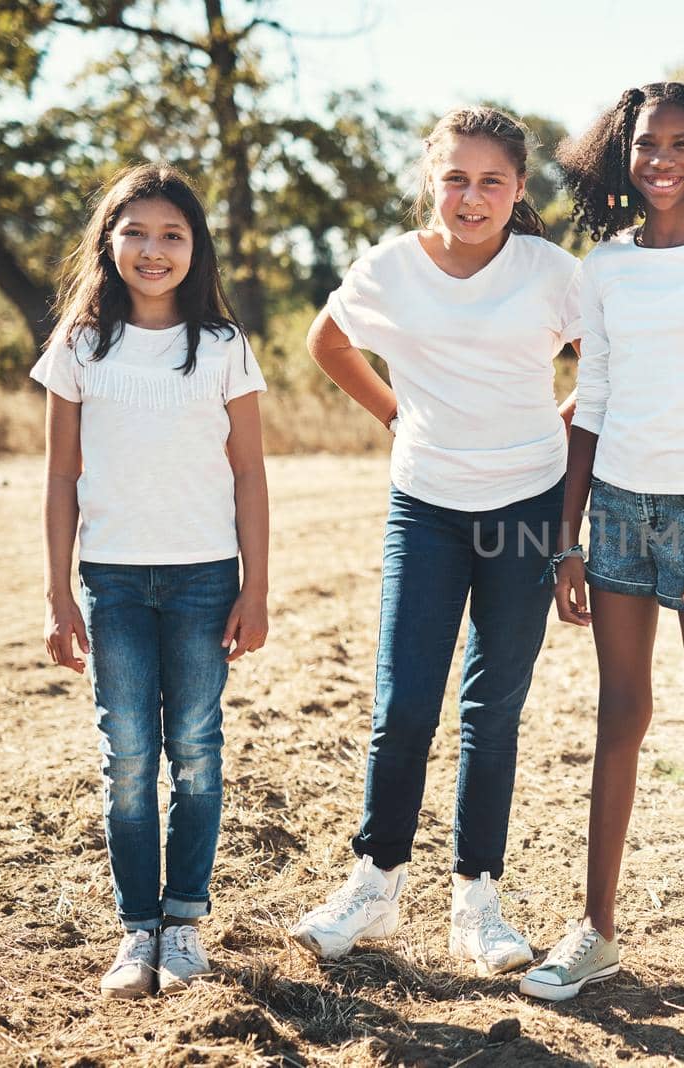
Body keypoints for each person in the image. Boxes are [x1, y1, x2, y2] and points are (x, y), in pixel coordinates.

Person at [286, 107, 580, 976]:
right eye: (456, 177)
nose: (472, 195)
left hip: (527, 510)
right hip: (426, 507)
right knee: (404, 704)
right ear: (431, 181)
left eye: (493, 180)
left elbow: (606, 363)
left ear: (520, 190)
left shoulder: (551, 272)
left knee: (492, 713)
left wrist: (563, 434)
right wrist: (391, 414)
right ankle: (373, 886)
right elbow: (326, 341)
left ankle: (477, 902)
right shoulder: (389, 269)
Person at [518, 81, 684, 1012]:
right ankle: (595, 931)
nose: (661, 158)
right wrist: (567, 540)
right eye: (645, 143)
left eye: (680, 142)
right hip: (618, 511)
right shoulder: (605, 267)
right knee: (620, 715)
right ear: (619, 157)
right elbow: (589, 405)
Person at [35, 164, 269, 999]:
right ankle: (137, 930)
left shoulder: (223, 347)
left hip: (206, 579)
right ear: (108, 242)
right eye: (136, 231)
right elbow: (61, 476)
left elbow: (249, 474)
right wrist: (60, 594)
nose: (153, 249)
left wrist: (257, 587)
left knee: (196, 754)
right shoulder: (78, 346)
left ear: (196, 248)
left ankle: (184, 924)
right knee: (129, 758)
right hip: (114, 584)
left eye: (173, 234)